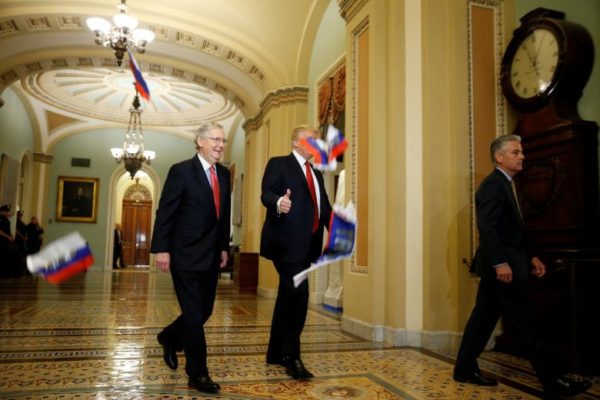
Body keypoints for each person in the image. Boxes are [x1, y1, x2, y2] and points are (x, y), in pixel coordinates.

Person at [454, 135, 591, 398]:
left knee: (482, 321)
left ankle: (464, 368)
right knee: (528, 323)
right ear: (499, 157)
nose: (522, 156)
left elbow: (513, 231)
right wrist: (500, 262)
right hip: (502, 269)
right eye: (516, 152)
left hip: (505, 265)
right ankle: (553, 381)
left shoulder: (507, 184)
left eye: (522, 152)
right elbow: (488, 227)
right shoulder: (493, 185)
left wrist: (531, 257)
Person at [151, 122, 231, 394]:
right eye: (216, 139)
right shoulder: (181, 171)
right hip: (183, 254)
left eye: (223, 140)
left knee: (204, 310)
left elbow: (223, 216)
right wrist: (161, 249)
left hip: (210, 255)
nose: (221, 145)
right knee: (195, 316)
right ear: (200, 141)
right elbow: (166, 213)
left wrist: (223, 247)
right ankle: (197, 374)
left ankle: (169, 337)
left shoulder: (225, 174)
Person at [260, 125, 332, 379]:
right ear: (296, 143)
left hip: (307, 247)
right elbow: (267, 194)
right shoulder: (279, 164)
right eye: (311, 139)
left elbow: (323, 207)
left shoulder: (317, 174)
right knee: (299, 297)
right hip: (285, 244)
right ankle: (292, 356)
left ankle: (275, 353)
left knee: (287, 298)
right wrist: (280, 202)